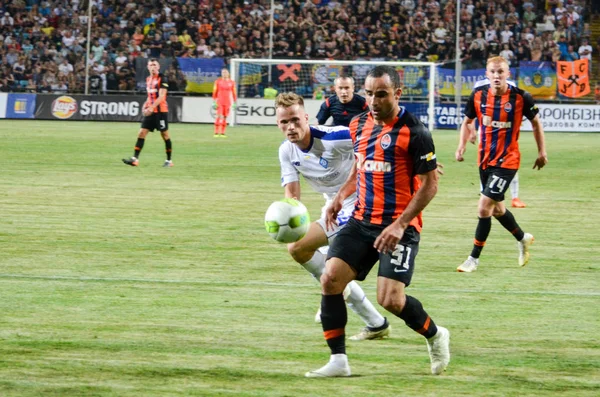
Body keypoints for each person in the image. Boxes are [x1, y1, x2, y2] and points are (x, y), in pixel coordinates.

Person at [305, 65, 450, 378]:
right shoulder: (358, 125)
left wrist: (399, 225)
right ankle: (338, 361)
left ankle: (435, 335)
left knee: (391, 300)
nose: (372, 100)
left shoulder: (416, 131)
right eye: (368, 93)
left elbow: (430, 185)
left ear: (397, 93)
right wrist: (340, 197)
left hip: (400, 226)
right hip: (361, 220)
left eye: (381, 94)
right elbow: (360, 168)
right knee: (330, 279)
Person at [275, 92, 391, 341]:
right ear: (278, 124)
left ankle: (331, 292)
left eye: (295, 120)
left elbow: (377, 136)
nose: (291, 127)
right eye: (284, 122)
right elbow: (293, 197)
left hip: (363, 202)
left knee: (321, 260)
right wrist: (284, 221)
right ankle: (375, 323)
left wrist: (421, 161)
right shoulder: (286, 151)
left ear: (306, 118)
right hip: (334, 207)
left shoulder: (334, 136)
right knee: (297, 247)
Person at [455, 56, 548, 273]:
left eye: (501, 72)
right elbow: (466, 122)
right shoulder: (478, 96)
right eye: (493, 72)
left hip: (508, 160)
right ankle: (522, 238)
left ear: (508, 74)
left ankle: (473, 259)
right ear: (487, 74)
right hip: (484, 160)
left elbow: (536, 123)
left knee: (484, 207)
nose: (497, 76)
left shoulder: (520, 97)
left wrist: (542, 151)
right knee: (497, 209)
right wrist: (462, 145)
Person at [122, 58, 173, 168]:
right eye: (151, 65)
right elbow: (150, 96)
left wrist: (151, 107)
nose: (153, 67)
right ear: (148, 67)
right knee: (141, 133)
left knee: (165, 135)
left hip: (160, 112)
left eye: (155, 65)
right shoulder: (148, 79)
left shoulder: (162, 78)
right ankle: (135, 159)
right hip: (151, 111)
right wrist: (145, 105)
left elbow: (162, 96)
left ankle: (169, 161)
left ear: (158, 67)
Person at [468, 127, 526, 208]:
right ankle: (483, 195)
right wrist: (472, 130)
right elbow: (470, 118)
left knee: (509, 164)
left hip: (505, 134)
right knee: (485, 166)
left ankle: (515, 198)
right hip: (486, 134)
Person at [212, 68, 237, 138]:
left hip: (227, 101)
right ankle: (216, 132)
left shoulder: (232, 82)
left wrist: (234, 102)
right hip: (220, 101)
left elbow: (234, 93)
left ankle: (223, 133)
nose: (224, 74)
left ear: (228, 73)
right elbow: (215, 91)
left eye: (225, 72)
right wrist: (214, 101)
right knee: (219, 116)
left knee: (225, 117)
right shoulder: (218, 81)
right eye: (223, 72)